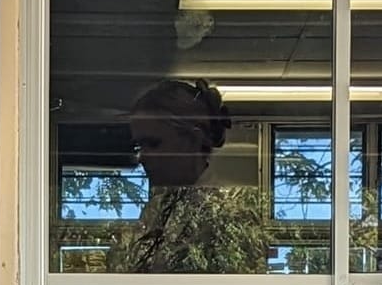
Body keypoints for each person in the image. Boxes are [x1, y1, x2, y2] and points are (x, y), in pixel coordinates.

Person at [115, 79, 272, 274]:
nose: (142, 158)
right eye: (139, 147)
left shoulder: (229, 213)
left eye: (153, 144)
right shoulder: (158, 208)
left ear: (193, 140)